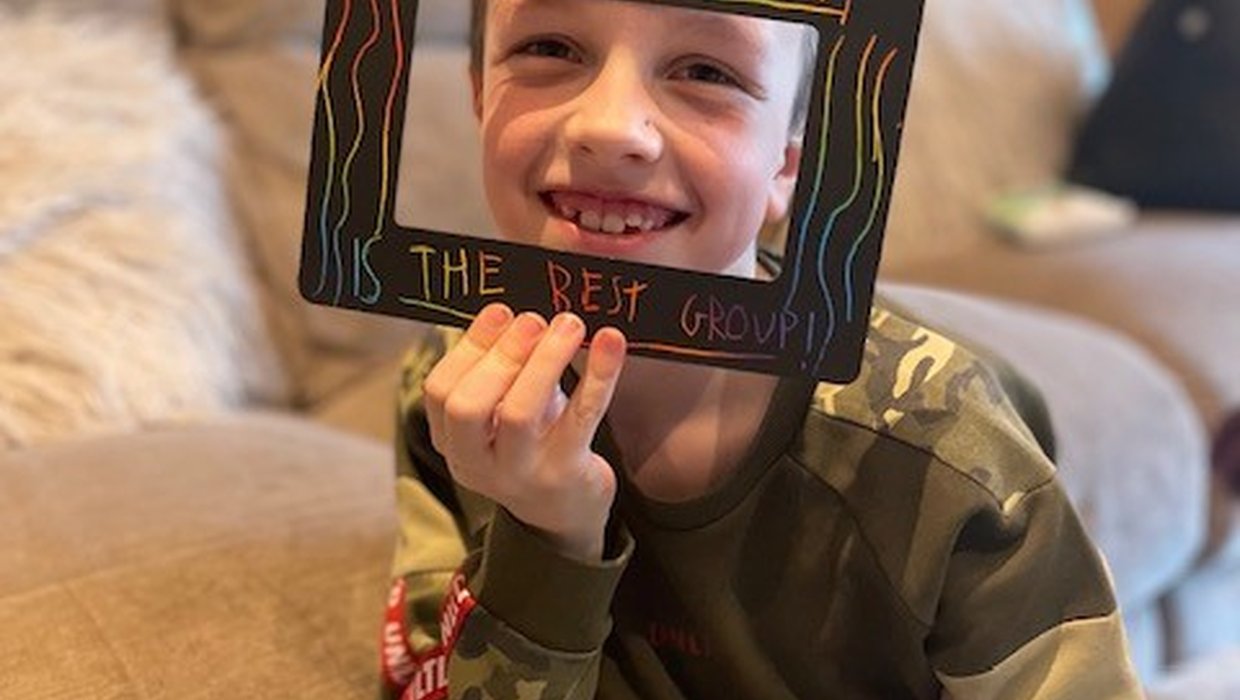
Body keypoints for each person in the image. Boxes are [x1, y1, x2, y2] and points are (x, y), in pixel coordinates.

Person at [379, 0, 1143, 698]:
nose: (610, 126)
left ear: (787, 162)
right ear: (480, 97)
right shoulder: (450, 391)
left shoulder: (941, 453)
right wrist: (546, 538)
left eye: (706, 71)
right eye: (550, 46)